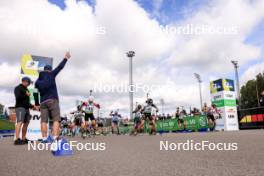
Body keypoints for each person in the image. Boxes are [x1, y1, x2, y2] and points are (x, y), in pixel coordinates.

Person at [35, 52, 71, 142]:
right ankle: (55, 138)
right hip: (52, 100)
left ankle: (44, 138)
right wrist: (66, 58)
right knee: (56, 119)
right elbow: (60, 67)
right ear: (50, 70)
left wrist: (36, 103)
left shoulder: (37, 81)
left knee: (43, 121)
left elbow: (35, 93)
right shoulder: (51, 74)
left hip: (42, 102)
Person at [14, 77, 37, 145]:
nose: (29, 84)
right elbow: (17, 97)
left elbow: (26, 102)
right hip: (20, 107)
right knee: (20, 122)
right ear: (24, 81)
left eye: (30, 83)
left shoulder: (27, 90)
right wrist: (25, 95)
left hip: (27, 109)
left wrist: (33, 106)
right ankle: (17, 139)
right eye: (28, 82)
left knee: (26, 123)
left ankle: (23, 139)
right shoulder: (18, 88)